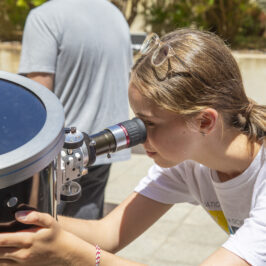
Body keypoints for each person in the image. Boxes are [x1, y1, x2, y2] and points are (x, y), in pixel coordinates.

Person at [0, 28, 265, 266]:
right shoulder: (188, 162)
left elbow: (90, 251)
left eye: (149, 123)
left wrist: (75, 255)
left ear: (205, 121)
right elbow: (109, 234)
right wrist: (19, 220)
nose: (137, 136)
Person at [18, 0, 133, 219]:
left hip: (59, 154)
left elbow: (39, 99)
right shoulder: (116, 17)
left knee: (40, 235)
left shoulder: (45, 17)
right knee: (86, 238)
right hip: (104, 144)